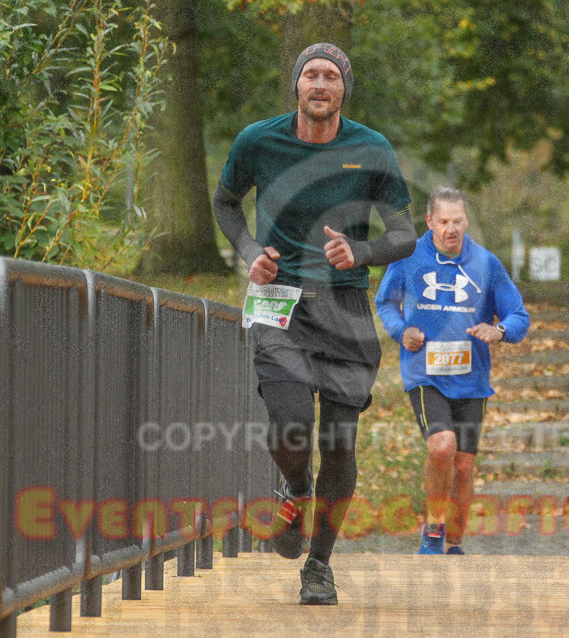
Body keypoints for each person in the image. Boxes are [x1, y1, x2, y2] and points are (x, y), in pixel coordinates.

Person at [212, 42, 414, 604]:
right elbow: (226, 203)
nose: (320, 84)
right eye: (311, 75)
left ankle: (319, 566)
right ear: (297, 86)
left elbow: (404, 235)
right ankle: (296, 488)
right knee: (291, 424)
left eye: (331, 76)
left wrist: (362, 253)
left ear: (343, 89)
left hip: (345, 308)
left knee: (341, 443)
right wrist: (249, 249)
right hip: (279, 301)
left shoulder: (371, 149)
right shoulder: (259, 140)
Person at [375, 187, 530, 555]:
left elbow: (518, 317)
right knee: (442, 447)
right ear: (429, 222)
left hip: (471, 379)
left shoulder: (486, 263)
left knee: (463, 467)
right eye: (443, 222)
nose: (450, 229)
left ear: (466, 221)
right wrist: (402, 331)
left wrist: (500, 330)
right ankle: (433, 527)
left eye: (457, 221)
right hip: (425, 373)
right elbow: (385, 303)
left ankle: (455, 544)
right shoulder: (409, 257)